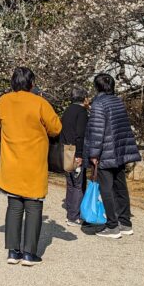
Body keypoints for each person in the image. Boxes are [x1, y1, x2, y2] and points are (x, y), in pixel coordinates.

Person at [0, 66, 62, 266]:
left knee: (14, 206)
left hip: (11, 162)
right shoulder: (39, 103)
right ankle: (29, 253)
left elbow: (0, 121)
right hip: (33, 162)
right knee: (33, 207)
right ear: (32, 83)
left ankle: (12, 252)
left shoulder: (3, 101)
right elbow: (56, 128)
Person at [83, 73, 141, 239]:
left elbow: (96, 131)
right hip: (119, 151)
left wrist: (94, 154)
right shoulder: (117, 101)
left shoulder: (99, 104)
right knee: (120, 186)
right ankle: (125, 223)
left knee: (106, 188)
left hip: (105, 153)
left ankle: (112, 225)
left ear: (97, 86)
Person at [60, 86, 90, 225]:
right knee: (78, 184)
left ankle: (71, 212)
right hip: (75, 150)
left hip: (65, 149)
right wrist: (79, 154)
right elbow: (80, 135)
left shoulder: (67, 111)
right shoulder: (81, 112)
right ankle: (74, 216)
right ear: (84, 98)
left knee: (71, 183)